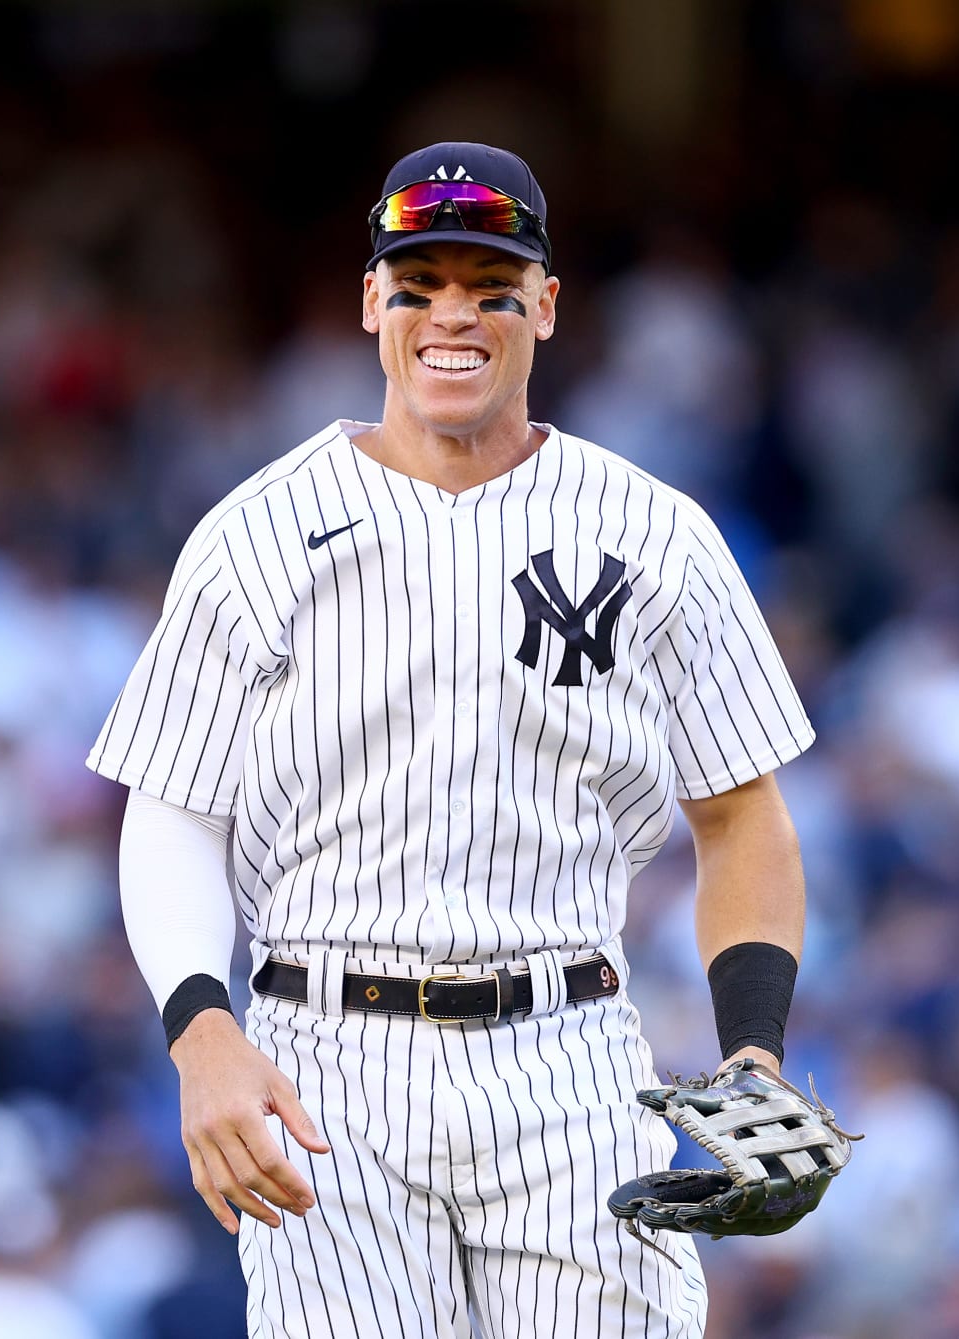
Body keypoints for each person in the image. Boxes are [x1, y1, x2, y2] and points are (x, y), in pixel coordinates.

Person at [87, 141, 816, 1338]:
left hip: (569, 1049)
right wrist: (199, 1028)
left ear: (546, 305)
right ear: (373, 300)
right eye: (420, 284)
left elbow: (741, 815)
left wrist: (754, 1049)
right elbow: (174, 812)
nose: (453, 316)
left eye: (490, 285)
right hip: (326, 1060)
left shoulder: (655, 533)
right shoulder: (256, 534)